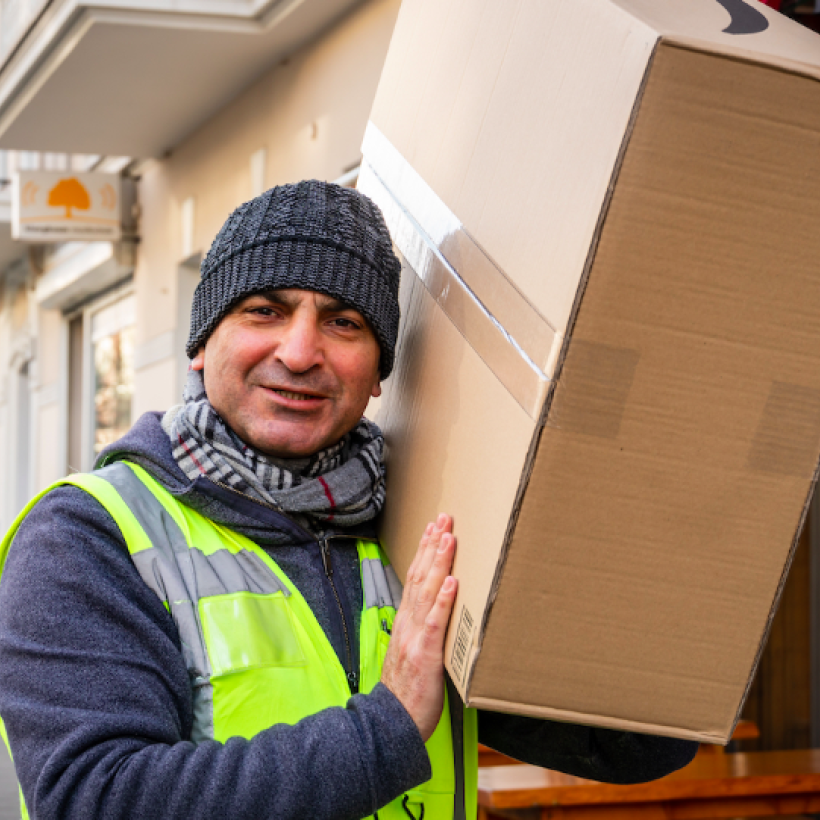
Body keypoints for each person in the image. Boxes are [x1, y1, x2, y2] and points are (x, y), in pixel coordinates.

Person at [0, 181, 697, 820]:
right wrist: (387, 725)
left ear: (378, 377)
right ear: (201, 343)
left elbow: (632, 746)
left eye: (343, 323)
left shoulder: (424, 530)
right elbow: (96, 800)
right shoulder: (89, 536)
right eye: (265, 310)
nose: (301, 352)